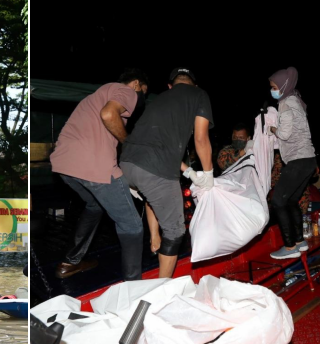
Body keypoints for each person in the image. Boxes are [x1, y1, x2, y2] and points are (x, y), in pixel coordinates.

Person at [49, 68, 148, 280]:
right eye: (144, 92)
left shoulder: (94, 97)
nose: (141, 98)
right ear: (137, 84)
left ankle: (70, 262)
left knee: (94, 206)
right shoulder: (126, 91)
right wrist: (128, 144)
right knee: (132, 225)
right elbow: (109, 114)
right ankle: (133, 287)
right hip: (95, 167)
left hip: (64, 165)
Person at [120, 67, 214, 278]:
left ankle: (154, 238)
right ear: (195, 86)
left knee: (151, 194)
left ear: (171, 86)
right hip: (155, 170)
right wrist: (208, 173)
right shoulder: (199, 95)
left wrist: (189, 171)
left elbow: (158, 146)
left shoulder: (159, 99)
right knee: (175, 231)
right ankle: (162, 288)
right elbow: (201, 138)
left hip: (127, 164)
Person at [266, 67, 316, 259]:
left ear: (283, 85)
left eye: (273, 86)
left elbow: (285, 134)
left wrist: (272, 129)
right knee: (292, 200)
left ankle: (289, 248)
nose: (272, 90)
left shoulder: (286, 103)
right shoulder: (296, 101)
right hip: (308, 160)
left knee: (278, 201)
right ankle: (299, 241)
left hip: (297, 160)